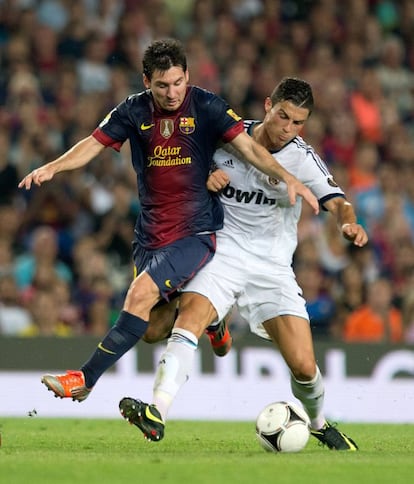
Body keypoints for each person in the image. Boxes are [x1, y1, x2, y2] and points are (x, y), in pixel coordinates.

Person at [18, 40, 318, 402]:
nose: (172, 92)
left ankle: (84, 378)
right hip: (150, 235)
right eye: (162, 85)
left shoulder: (207, 106)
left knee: (138, 294)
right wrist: (53, 166)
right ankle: (213, 319)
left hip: (196, 232)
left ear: (187, 76)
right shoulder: (132, 111)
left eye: (178, 83)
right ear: (147, 81)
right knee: (151, 328)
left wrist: (286, 176)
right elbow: (93, 143)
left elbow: (250, 148)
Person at [119, 77, 368, 451]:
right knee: (188, 320)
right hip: (223, 252)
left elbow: (337, 200)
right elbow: (179, 168)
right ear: (268, 105)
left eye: (298, 122)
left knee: (303, 366)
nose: (287, 129)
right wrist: (204, 175)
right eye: (283, 116)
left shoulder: (302, 158)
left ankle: (317, 422)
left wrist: (348, 222)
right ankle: (157, 411)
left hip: (272, 266)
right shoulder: (226, 136)